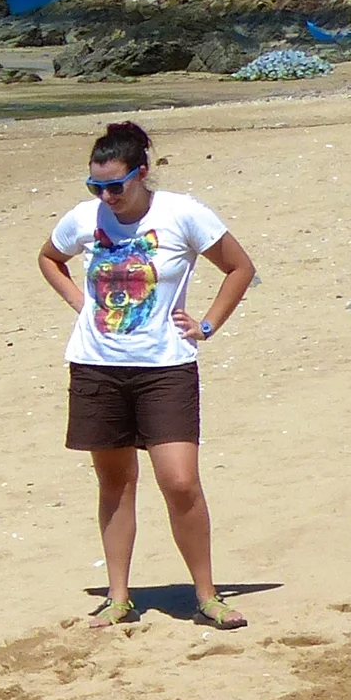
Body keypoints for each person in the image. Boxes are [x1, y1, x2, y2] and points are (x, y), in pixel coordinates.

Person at [37, 119, 257, 629]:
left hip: (166, 368)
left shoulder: (183, 214)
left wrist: (205, 324)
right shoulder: (84, 218)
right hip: (97, 367)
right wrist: (80, 303)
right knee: (114, 484)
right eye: (96, 186)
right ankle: (118, 597)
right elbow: (49, 258)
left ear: (141, 172)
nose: (107, 196)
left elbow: (239, 268)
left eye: (115, 184)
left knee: (180, 482)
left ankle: (207, 594)